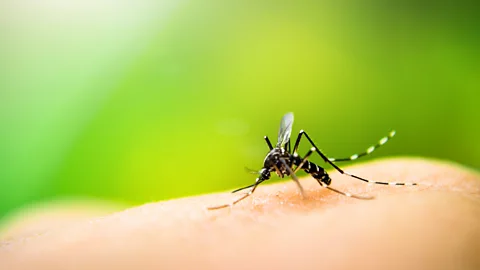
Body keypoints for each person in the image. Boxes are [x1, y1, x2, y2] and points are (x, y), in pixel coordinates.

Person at [1, 158, 479, 269]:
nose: (266, 174)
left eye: (266, 173)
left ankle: (348, 186)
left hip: (320, 172)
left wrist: (316, 187)